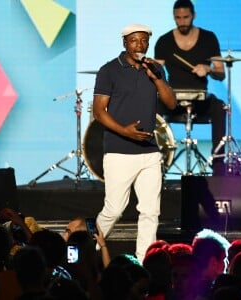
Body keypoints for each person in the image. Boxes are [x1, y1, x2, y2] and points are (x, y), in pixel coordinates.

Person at [92, 23, 176, 263]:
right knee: (114, 209)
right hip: (119, 152)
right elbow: (99, 111)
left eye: (143, 41)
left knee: (150, 211)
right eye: (134, 41)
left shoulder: (155, 69)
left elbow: (171, 103)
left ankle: (144, 263)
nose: (139, 46)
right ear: (124, 43)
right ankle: (87, 249)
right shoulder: (109, 70)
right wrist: (125, 132)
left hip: (149, 152)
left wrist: (157, 79)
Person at [154, 0, 226, 176]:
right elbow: (156, 73)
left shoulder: (208, 38)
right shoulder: (164, 41)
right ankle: (153, 160)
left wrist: (208, 69)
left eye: (185, 17)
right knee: (152, 106)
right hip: (173, 99)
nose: (182, 22)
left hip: (200, 99)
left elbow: (221, 72)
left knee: (219, 108)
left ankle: (218, 164)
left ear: (193, 15)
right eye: (177, 18)